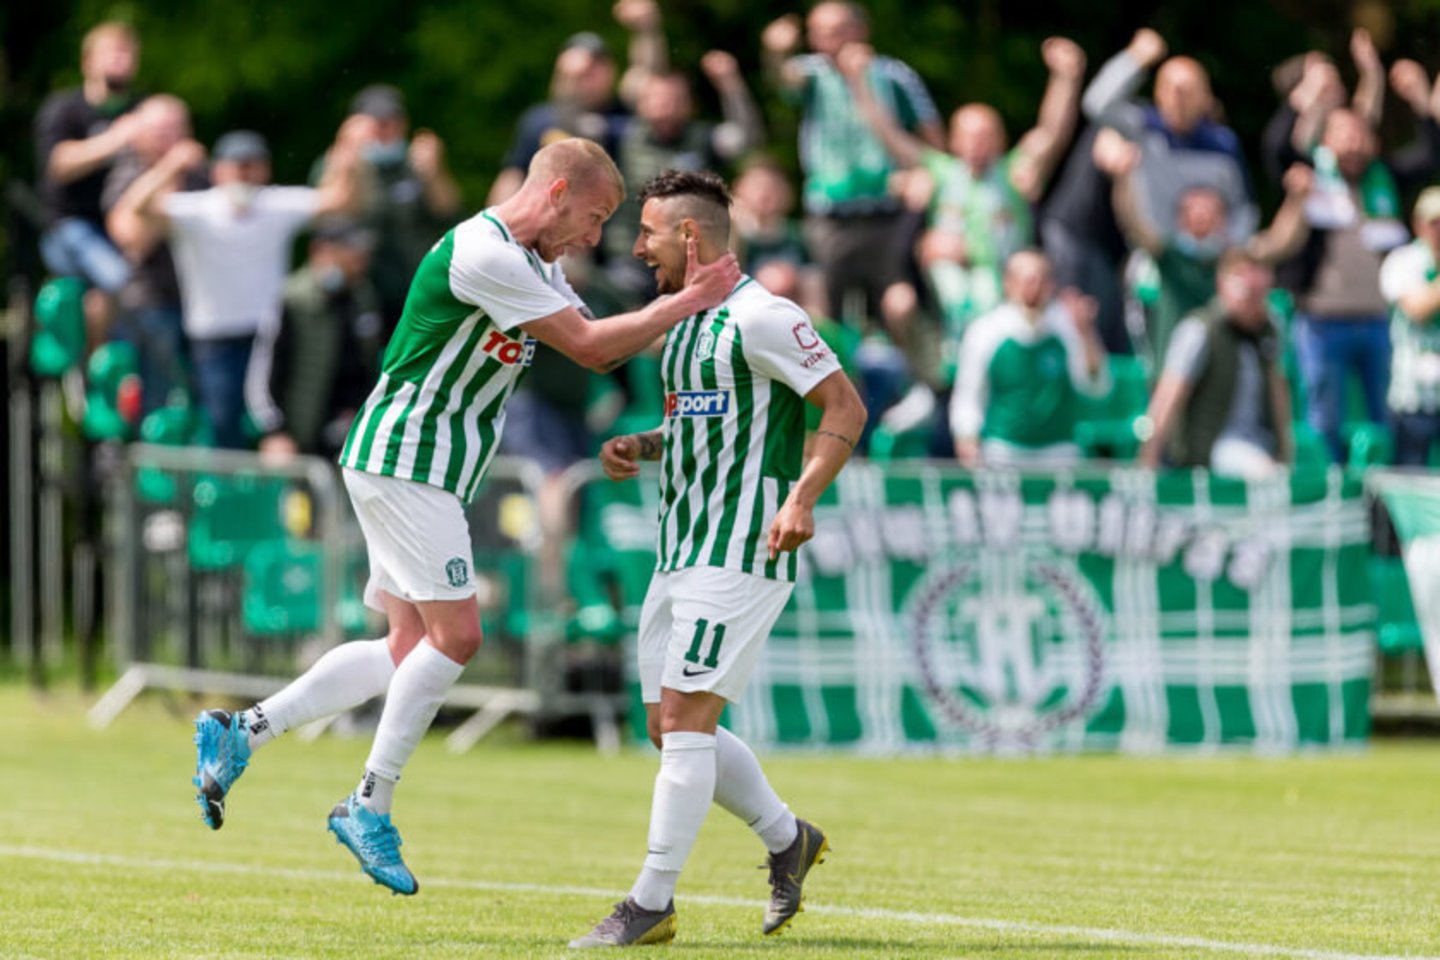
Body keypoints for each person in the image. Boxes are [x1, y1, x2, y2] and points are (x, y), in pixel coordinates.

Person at [190, 140, 742, 897]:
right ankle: (368, 803)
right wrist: (690, 298)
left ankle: (242, 731)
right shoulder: (486, 253)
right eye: (592, 217)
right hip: (408, 458)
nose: (592, 237)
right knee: (458, 637)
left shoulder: (536, 263)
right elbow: (590, 347)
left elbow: (608, 347)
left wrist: (693, 317)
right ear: (555, 194)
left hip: (415, 463)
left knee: (405, 647)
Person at [569, 169, 866, 948]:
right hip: (680, 546)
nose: (639, 249)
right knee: (665, 726)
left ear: (689, 235)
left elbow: (844, 406)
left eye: (648, 234)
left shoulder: (765, 316)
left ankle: (650, 902)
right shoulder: (685, 325)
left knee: (686, 720)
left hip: (741, 547)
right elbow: (708, 425)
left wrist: (802, 497)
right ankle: (788, 839)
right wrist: (644, 444)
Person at [836, 35, 1085, 383]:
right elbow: (888, 133)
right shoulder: (939, 173)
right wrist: (858, 83)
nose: (976, 145)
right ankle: (928, 384)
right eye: (968, 136)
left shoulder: (1014, 173)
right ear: (953, 140)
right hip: (945, 307)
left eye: (986, 136)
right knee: (899, 303)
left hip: (1007, 301)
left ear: (1001, 140)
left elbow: (1052, 133)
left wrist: (1066, 78)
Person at [108, 123, 366, 448]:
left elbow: (339, 201)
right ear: (218, 170)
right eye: (237, 165)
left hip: (269, 336)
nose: (244, 174)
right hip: (215, 339)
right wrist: (172, 165)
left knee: (274, 426)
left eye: (252, 165)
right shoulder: (198, 208)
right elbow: (136, 207)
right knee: (223, 425)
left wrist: (346, 156)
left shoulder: (275, 204)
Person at [762, 2, 943, 326]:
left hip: (889, 212)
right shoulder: (812, 73)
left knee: (899, 306)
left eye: (836, 31)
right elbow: (784, 80)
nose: (825, 41)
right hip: (830, 214)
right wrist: (776, 53)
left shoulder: (894, 75)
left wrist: (922, 174)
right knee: (827, 308)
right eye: (817, 33)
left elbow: (932, 139)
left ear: (861, 31)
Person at [1101, 130, 1313, 367]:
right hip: (1172, 370)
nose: (1202, 217)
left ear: (1223, 218)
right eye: (1193, 211)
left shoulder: (1234, 254)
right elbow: (1133, 224)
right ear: (1180, 219)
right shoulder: (1169, 255)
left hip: (1221, 374)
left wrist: (1298, 200)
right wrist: (1123, 178)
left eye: (1210, 211)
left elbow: (1281, 242)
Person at [1139, 248, 1294, 479]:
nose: (1255, 303)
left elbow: (1278, 392)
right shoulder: (1199, 330)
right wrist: (1149, 457)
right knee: (1262, 471)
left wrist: (1286, 451)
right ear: (1223, 284)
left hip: (1261, 442)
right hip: (1213, 448)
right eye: (1248, 293)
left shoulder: (1269, 329)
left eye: (1260, 295)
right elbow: (1168, 396)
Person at [319, 84, 464, 332]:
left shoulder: (414, 163)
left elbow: (448, 211)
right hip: (360, 292)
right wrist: (347, 161)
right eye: (377, 122)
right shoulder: (338, 164)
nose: (386, 128)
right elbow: (327, 217)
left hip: (412, 285)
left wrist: (434, 172)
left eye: (393, 120)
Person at [33, 21, 143, 343]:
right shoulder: (65, 109)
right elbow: (58, 165)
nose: (121, 60)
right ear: (87, 62)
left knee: (145, 288)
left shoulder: (141, 109)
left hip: (123, 224)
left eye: (128, 53)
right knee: (120, 278)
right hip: (70, 226)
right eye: (113, 52)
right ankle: (95, 362)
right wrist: (116, 139)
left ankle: (115, 362)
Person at [948, 249, 1109, 468]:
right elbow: (968, 395)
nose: (1033, 288)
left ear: (1051, 284)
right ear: (1007, 283)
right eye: (1024, 280)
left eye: (1040, 280)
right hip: (1003, 451)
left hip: (1060, 451)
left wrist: (1086, 334)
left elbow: (1096, 387)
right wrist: (967, 438)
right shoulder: (985, 331)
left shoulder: (1068, 326)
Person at [102, 94, 206, 415]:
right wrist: (170, 172)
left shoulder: (201, 175)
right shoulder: (127, 174)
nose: (168, 139)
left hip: (202, 302)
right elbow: (133, 239)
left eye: (175, 129)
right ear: (140, 135)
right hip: (151, 303)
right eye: (159, 131)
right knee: (156, 401)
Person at [246, 218, 385, 458]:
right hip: (295, 440)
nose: (359, 259)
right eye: (349, 250)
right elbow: (262, 374)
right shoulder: (291, 299)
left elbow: (369, 367)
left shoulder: (364, 298)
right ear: (320, 250)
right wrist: (274, 432)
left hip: (348, 435)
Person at [1379, 188, 1440, 465]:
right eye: (1434, 222)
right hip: (1413, 395)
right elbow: (1418, 309)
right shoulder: (1402, 261)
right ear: (1418, 224)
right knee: (1411, 477)